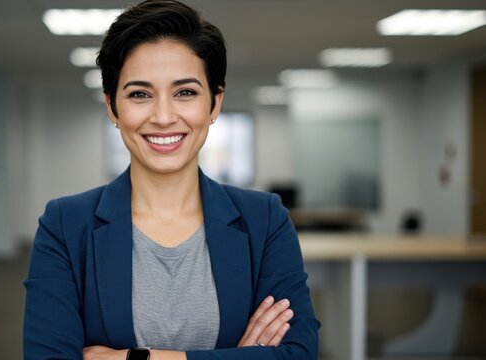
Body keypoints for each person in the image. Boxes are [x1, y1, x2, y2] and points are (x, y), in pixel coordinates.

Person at [23, 1, 320, 359]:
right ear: (112, 107)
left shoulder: (265, 220)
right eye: (139, 94)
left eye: (185, 92)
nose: (163, 117)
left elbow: (298, 354)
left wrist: (137, 357)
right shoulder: (65, 225)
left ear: (214, 103)